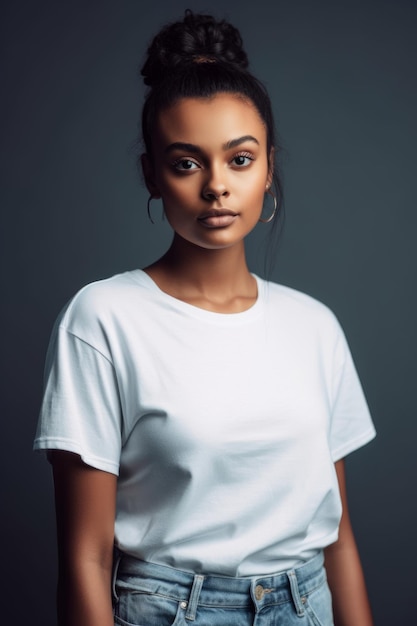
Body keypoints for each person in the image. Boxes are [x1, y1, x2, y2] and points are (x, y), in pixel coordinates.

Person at [34, 10, 376, 626]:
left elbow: (340, 540)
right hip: (169, 610)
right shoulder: (103, 318)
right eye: (187, 163)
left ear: (269, 167)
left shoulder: (315, 326)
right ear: (152, 175)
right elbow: (85, 558)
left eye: (239, 160)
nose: (216, 186)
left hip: (307, 605)